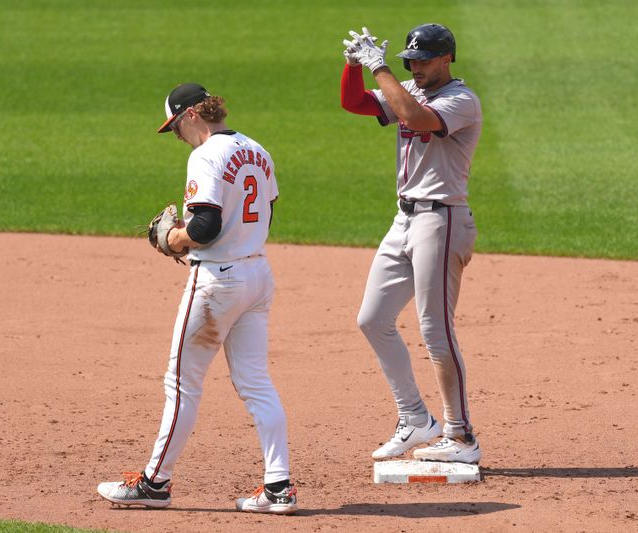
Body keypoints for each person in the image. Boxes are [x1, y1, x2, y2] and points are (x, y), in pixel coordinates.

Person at [97, 82, 297, 514]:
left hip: (218, 282)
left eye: (175, 127)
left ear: (191, 116)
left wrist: (173, 238)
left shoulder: (205, 155)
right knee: (256, 383)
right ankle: (278, 488)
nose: (176, 137)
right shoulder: (257, 150)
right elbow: (268, 210)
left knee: (182, 383)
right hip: (257, 274)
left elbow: (204, 226)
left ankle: (154, 483)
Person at [340, 24, 483, 463]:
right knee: (372, 319)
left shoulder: (462, 100)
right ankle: (416, 418)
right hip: (404, 219)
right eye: (409, 61)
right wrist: (352, 68)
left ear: (447, 59)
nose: (415, 67)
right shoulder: (405, 86)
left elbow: (418, 118)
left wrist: (378, 67)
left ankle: (460, 437)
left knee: (435, 331)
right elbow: (355, 103)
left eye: (422, 60)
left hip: (441, 222)